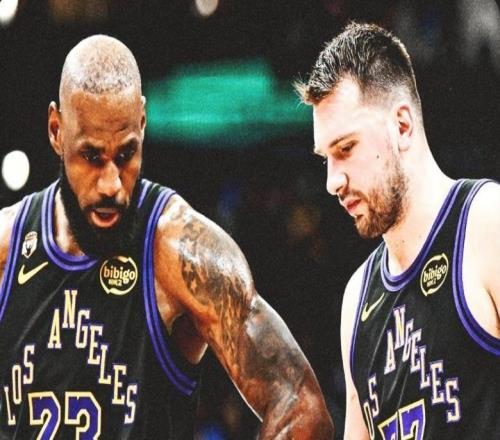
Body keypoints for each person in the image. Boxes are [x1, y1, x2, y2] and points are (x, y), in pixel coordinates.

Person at [0, 35, 334, 439]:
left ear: (142, 123)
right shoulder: (7, 249)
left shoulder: (180, 249)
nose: (112, 185)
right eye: (92, 156)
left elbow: (301, 406)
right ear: (57, 131)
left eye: (126, 154)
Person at [296, 22, 500, 439]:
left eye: (346, 148)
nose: (332, 181)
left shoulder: (485, 222)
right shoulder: (357, 297)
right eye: (325, 158)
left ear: (403, 126)